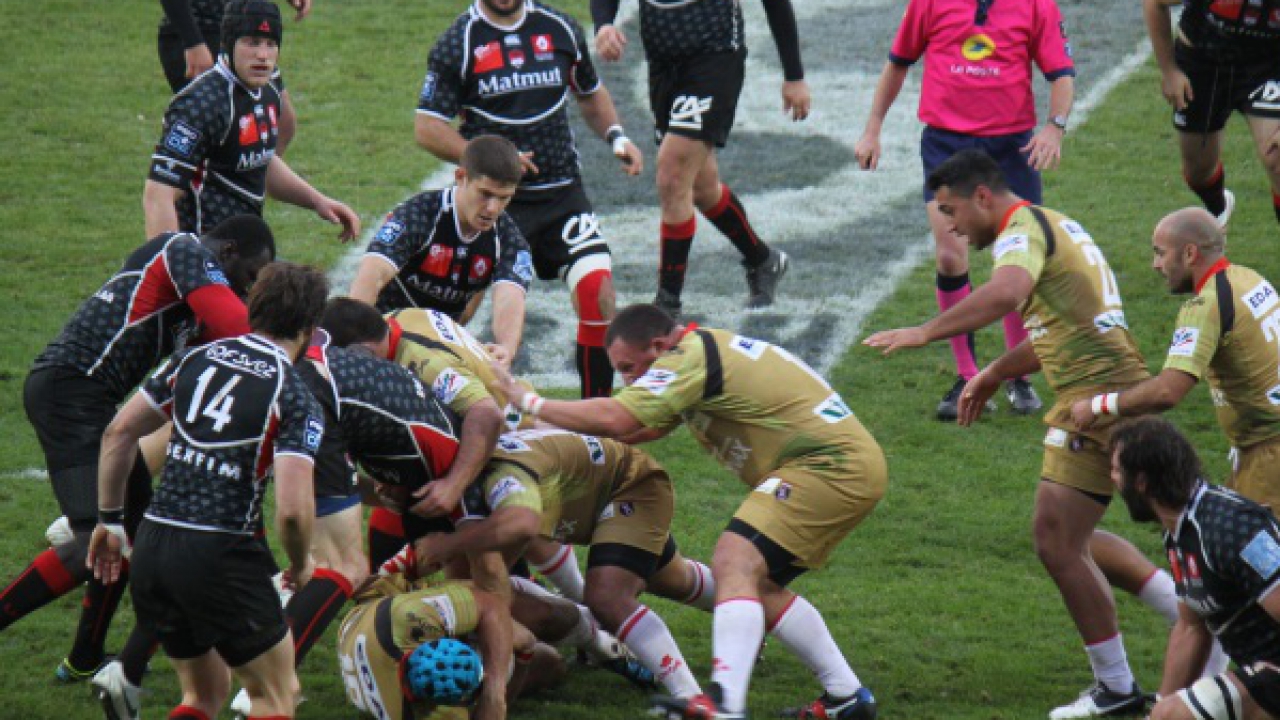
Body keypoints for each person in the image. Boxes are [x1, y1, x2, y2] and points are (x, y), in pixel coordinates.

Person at [864, 149, 1174, 718]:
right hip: (1093, 392)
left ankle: (1205, 642)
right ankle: (1132, 677)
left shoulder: (1018, 233)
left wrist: (924, 331)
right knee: (1067, 539)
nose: (952, 226)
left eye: (952, 211)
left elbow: (1006, 295)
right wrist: (994, 371)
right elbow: (1063, 331)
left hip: (1103, 399)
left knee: (1156, 531)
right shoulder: (1051, 225)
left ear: (983, 196)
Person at [494, 303, 883, 720]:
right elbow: (644, 428)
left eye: (628, 368)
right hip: (840, 464)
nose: (626, 380)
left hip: (826, 465)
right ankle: (846, 695)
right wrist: (533, 428)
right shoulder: (701, 354)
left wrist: (529, 399)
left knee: (735, 559)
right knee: (759, 583)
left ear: (659, 346)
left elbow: (620, 417)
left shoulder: (687, 356)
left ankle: (724, 704)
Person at [0, 215, 272, 691]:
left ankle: (86, 658)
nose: (247, 289)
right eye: (249, 276)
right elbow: (238, 328)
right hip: (71, 394)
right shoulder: (182, 250)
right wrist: (297, 345)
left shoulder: (190, 292)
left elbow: (224, 354)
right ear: (227, 251)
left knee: (141, 540)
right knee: (95, 540)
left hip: (87, 399)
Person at [86, 261, 329, 720]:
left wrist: (110, 520)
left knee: (203, 695)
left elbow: (118, 432)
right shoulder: (295, 395)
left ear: (252, 309)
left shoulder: (192, 359)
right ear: (309, 329)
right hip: (222, 554)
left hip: (155, 546)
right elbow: (295, 514)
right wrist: (300, 564)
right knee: (276, 694)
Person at [854, 0, 1074, 421]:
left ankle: (1017, 374)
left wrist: (1054, 127)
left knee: (1018, 260)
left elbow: (1061, 74)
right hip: (947, 144)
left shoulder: (1035, 5)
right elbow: (897, 62)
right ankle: (966, 375)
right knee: (950, 255)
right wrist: (872, 128)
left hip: (1010, 149)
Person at [416, 0, 644, 399]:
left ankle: (595, 423)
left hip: (562, 197)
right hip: (494, 206)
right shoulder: (459, 43)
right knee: (459, 312)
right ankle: (434, 400)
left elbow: (590, 93)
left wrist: (617, 137)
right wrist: (491, 158)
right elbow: (428, 127)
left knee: (598, 292)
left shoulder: (559, 28)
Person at [416, 428, 717, 700]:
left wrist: (449, 547)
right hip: (584, 495)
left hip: (628, 484)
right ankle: (748, 608)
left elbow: (521, 528)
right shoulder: (469, 478)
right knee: (675, 580)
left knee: (607, 597)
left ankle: (692, 700)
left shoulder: (497, 477)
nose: (385, 490)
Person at [590, 0, 809, 317]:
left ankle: (667, 304)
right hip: (663, 62)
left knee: (672, 174)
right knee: (701, 188)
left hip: (714, 55)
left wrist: (794, 75)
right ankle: (764, 260)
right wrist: (604, 24)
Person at [1071, 207, 1280, 509]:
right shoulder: (1250, 279)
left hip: (1269, 453)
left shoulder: (1206, 305)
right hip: (1260, 443)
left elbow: (1168, 391)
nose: (1156, 265)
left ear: (1190, 253)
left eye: (1161, 253)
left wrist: (1099, 405)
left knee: (1258, 552)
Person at [1108, 416, 1280, 720]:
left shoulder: (1234, 529)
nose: (1112, 478)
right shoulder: (1180, 528)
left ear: (1142, 482)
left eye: (1116, 470)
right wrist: (1160, 707)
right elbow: (1191, 626)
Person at [144, 0, 359, 240]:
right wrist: (174, 266)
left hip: (243, 253)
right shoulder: (200, 105)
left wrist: (318, 201)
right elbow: (158, 195)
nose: (262, 55)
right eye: (252, 42)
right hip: (205, 252)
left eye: (270, 44)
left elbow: (262, 161)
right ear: (227, 44)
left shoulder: (266, 92)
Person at [349, 136, 534, 364]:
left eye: (504, 198)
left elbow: (510, 298)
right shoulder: (419, 215)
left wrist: (506, 347)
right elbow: (373, 274)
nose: (493, 208)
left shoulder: (509, 240)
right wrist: (356, 339)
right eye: (485, 194)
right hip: (384, 334)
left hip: (439, 344)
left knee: (499, 395)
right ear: (460, 177)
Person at [337, 574, 566, 720]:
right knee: (549, 663)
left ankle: (531, 590)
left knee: (542, 626)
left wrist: (494, 693)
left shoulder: (409, 617)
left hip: (385, 609)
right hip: (378, 625)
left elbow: (492, 605)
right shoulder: (434, 714)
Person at [1142, 0, 1280, 231]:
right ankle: (1218, 207)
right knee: (1198, 169)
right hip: (1205, 63)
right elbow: (1155, 3)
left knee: (1277, 157)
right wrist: (1169, 71)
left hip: (1267, 67)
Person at [156, 0, 307, 153]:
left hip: (244, 26)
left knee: (283, 122)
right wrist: (193, 43)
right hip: (200, 31)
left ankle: (258, 176)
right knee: (224, 135)